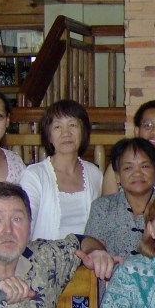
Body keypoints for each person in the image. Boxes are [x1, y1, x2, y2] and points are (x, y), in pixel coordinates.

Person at [20, 99, 103, 240]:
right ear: (49, 135)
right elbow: (24, 226)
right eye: (57, 127)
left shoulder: (95, 174)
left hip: (88, 259)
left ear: (83, 131)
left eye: (73, 125)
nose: (66, 133)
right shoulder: (34, 176)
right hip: (45, 258)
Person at [85, 137, 155, 258]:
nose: (137, 173)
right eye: (128, 168)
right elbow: (90, 248)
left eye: (144, 166)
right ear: (118, 176)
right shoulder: (102, 207)